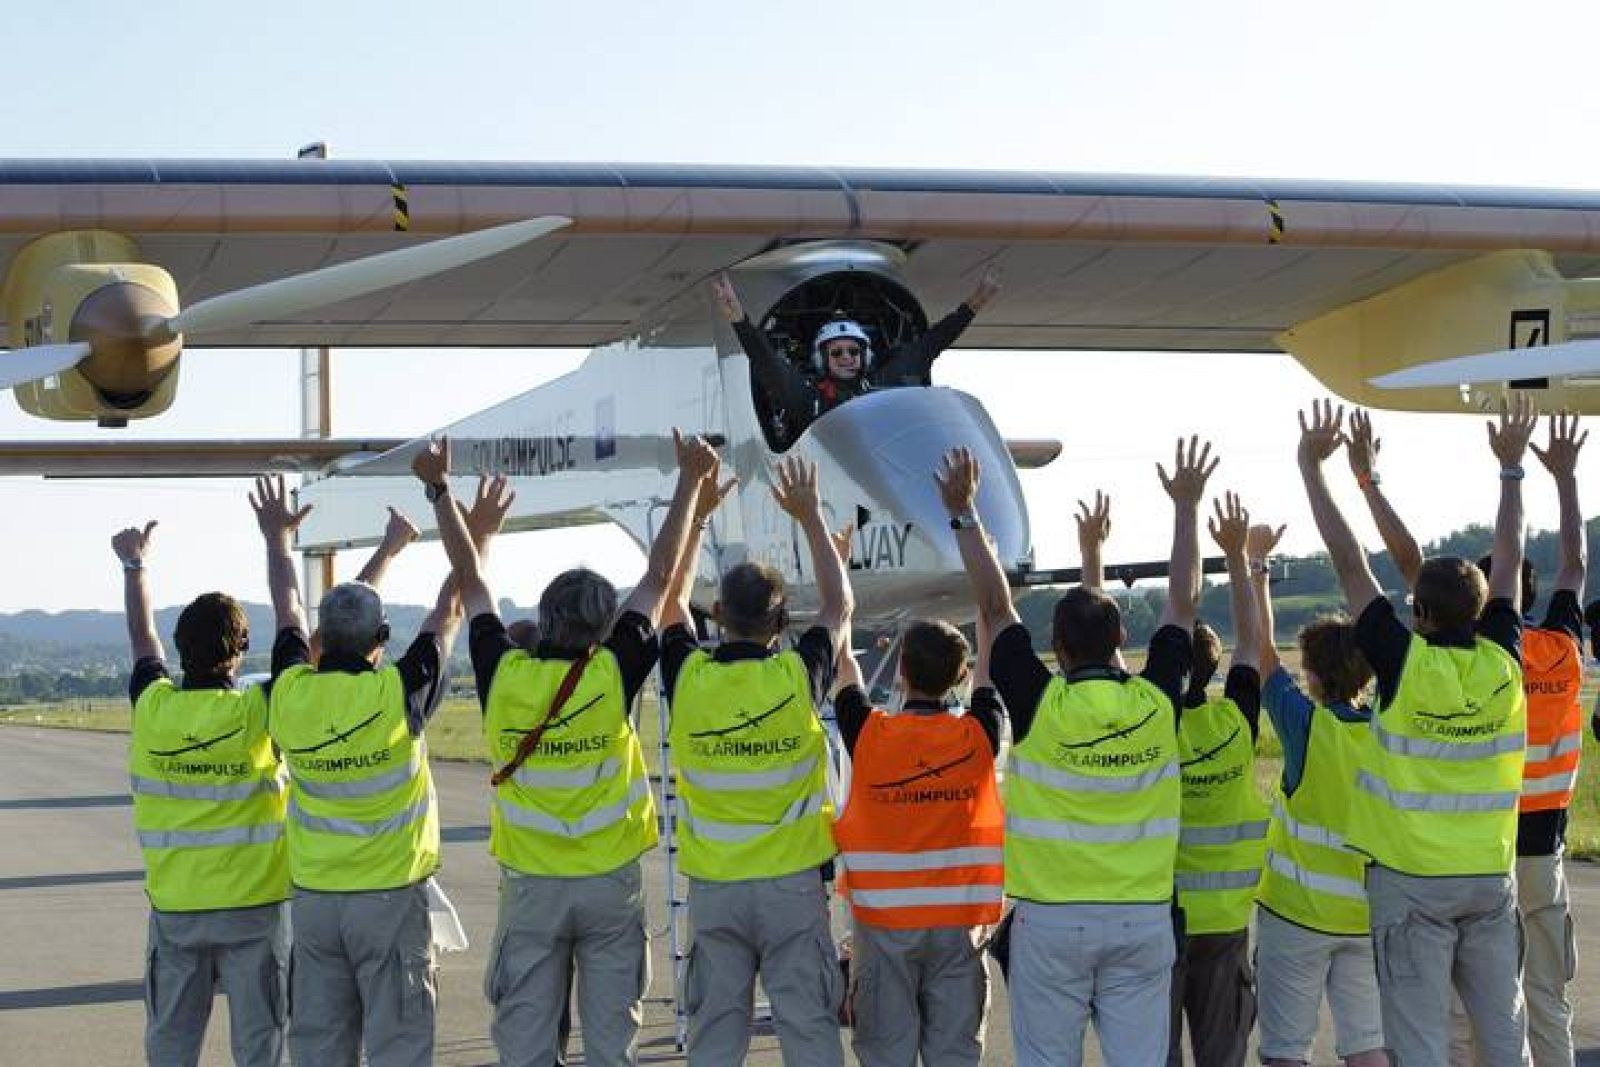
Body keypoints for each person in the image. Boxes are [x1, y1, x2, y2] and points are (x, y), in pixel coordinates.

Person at [416, 429, 723, 1067]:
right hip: (611, 883)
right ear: (604, 625)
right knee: (612, 1043)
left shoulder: (504, 674)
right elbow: (662, 576)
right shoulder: (613, 674)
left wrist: (441, 493)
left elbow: (470, 582)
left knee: (526, 1043)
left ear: (544, 618)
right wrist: (689, 483)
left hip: (533, 886)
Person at [941, 437, 1214, 1067]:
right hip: (1142, 919)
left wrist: (966, 513)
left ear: (1055, 649)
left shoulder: (1041, 704)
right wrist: (1186, 508)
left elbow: (993, 604)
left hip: (1054, 924)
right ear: (1123, 639)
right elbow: (1184, 601)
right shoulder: (1154, 706)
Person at [1296, 397, 1533, 1066]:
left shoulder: (1405, 662)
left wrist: (1319, 471)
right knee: (1504, 1041)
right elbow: (1509, 556)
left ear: (1419, 612)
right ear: (1484, 609)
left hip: (1412, 882)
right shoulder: (1503, 662)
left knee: (1421, 1045)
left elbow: (1350, 563)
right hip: (1490, 875)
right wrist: (1511, 472)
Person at [1350, 407, 1585, 1067]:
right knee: (1540, 1004)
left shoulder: (1451, 663)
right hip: (1537, 849)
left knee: (1450, 1025)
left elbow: (1412, 566)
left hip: (1473, 848)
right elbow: (1573, 561)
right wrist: (1551, 477)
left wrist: (1367, 481)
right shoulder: (1554, 650)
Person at [260, 472, 506, 1067]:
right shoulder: (401, 691)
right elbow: (451, 606)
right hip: (390, 901)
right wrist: (476, 533)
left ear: (322, 643)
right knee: (399, 1044)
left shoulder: (288, 695)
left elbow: (288, 611)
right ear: (382, 639)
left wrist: (277, 542)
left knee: (319, 1047)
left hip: (317, 901)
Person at [658, 455, 854, 1066]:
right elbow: (838, 606)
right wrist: (811, 519)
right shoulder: (799, 675)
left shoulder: (688, 677)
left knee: (716, 1036)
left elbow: (668, 598)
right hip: (792, 889)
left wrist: (694, 516)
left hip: (717, 888)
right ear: (780, 623)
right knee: (810, 1031)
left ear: (718, 617)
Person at [115, 518, 290, 1067]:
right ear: (240, 649)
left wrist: (134, 565)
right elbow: (294, 630)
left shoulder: (154, 708)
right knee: (260, 1045)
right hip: (255, 908)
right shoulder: (257, 710)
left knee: (170, 1044)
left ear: (179, 649)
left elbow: (141, 638)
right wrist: (277, 543)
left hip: (177, 909)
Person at [831, 603, 1006, 1067]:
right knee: (954, 1053)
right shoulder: (979, 735)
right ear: (959, 674)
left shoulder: (868, 734)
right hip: (958, 926)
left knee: (885, 1053)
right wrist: (987, 612)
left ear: (901, 671)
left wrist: (843, 607)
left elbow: (844, 664)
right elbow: (988, 676)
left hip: (884, 927)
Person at [1247, 523, 1388, 1067]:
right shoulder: (1385, 734)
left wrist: (1257, 568)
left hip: (1298, 915)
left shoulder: (1309, 728)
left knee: (1285, 1050)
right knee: (1369, 1046)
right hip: (1364, 915)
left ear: (1312, 675)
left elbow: (1262, 653)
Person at [1168, 496, 1268, 1067]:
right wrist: (1238, 559)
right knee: (1223, 1053)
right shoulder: (1236, 722)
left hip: (1168, 916)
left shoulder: (1157, 726)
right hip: (1228, 920)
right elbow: (1251, 642)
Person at [709, 267, 1001, 443]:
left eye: (853, 351)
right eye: (837, 352)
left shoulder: (883, 386)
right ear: (823, 360)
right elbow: (768, 365)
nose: (847, 357)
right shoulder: (809, 400)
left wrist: (972, 307)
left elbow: (928, 346)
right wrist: (740, 320)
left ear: (865, 355)